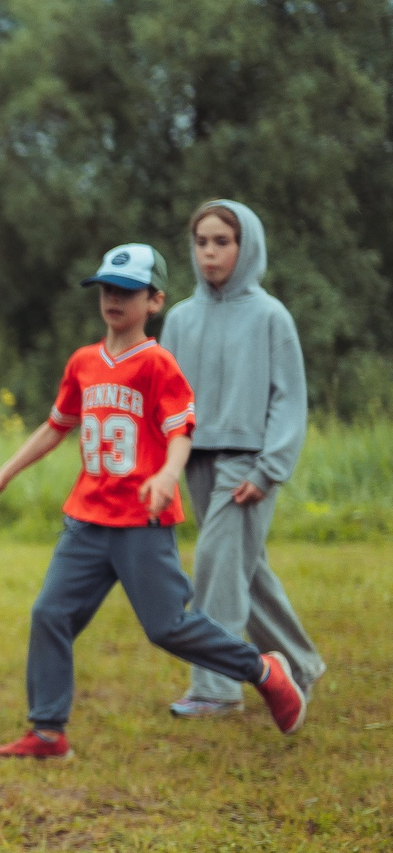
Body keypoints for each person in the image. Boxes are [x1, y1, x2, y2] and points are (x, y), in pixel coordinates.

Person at [0, 244, 306, 759]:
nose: (114, 299)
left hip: (140, 522)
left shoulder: (158, 365)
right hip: (87, 520)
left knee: (168, 627)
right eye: (107, 289)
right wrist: (1, 475)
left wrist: (168, 475)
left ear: (154, 301)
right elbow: (55, 427)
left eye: (127, 291)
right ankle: (47, 732)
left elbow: (182, 432)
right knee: (50, 614)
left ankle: (263, 669)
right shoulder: (83, 362)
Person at [158, 199, 326, 718]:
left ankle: (216, 688)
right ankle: (300, 665)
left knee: (214, 566)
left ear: (245, 245)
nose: (209, 253)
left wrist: (269, 469)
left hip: (249, 463)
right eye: (201, 242)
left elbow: (288, 399)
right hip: (196, 460)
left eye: (222, 242)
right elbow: (166, 397)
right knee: (243, 572)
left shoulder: (271, 316)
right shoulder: (182, 318)